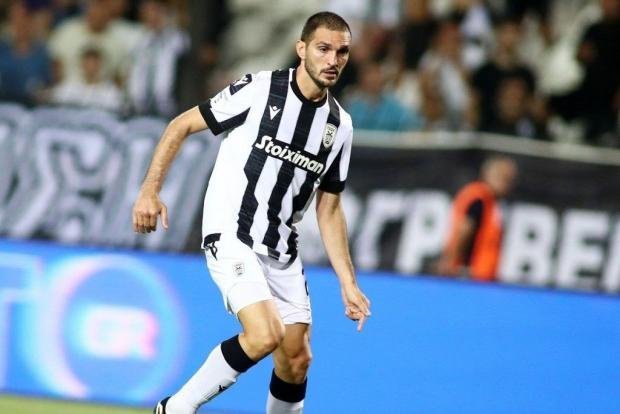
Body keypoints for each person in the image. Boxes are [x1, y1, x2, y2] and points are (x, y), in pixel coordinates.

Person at [132, 11, 371, 414]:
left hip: (281, 248)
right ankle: (174, 409)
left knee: (296, 359)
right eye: (323, 49)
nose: (333, 60)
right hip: (232, 232)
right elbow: (180, 125)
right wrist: (149, 191)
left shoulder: (340, 126)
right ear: (301, 49)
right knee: (264, 334)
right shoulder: (260, 89)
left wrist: (348, 282)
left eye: (342, 52)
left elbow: (329, 208)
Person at [437, 156, 517, 282]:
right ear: (488, 175)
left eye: (510, 180)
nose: (506, 185)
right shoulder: (479, 198)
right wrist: (450, 261)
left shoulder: (492, 202)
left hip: (481, 275)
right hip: (470, 274)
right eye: (503, 178)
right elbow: (465, 229)